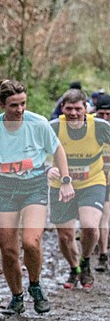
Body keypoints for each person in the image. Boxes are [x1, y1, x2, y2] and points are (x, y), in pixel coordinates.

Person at [0, 79, 74, 315]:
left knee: (31, 241)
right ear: (1, 105)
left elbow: (57, 149)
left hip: (34, 186)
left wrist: (66, 180)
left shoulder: (38, 123)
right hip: (4, 189)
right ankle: (16, 296)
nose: (20, 110)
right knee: (8, 250)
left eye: (23, 104)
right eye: (14, 106)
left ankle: (35, 285)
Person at [46, 88, 110, 289]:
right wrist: (48, 168)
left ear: (86, 108)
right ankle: (74, 269)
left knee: (90, 226)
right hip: (60, 186)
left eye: (77, 109)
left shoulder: (99, 126)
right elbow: (33, 151)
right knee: (65, 236)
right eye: (69, 109)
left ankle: (85, 260)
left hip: (92, 182)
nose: (73, 113)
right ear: (62, 109)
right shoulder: (54, 127)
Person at [94, 93, 110, 272]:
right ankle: (103, 255)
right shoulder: (92, 128)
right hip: (99, 178)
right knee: (103, 216)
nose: (105, 119)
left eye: (109, 114)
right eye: (101, 115)